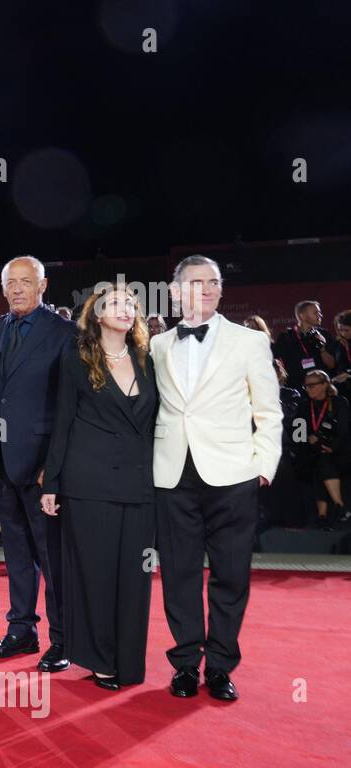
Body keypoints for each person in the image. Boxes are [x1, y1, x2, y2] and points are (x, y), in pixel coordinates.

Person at [153, 254, 282, 701]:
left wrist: (263, 467)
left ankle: (221, 665)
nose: (205, 289)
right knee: (180, 575)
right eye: (195, 282)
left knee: (230, 575)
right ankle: (186, 663)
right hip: (172, 475)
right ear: (175, 292)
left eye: (213, 282)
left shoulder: (249, 342)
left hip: (234, 476)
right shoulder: (158, 346)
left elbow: (269, 411)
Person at [41, 284, 158, 690]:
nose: (125, 309)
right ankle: (101, 660)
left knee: (134, 578)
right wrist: (51, 483)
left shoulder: (149, 359)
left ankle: (128, 662)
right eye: (114, 304)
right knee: (95, 575)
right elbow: (63, 424)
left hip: (140, 483)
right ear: (95, 315)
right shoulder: (76, 360)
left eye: (131, 304)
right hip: (87, 483)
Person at [0, 256, 76, 671]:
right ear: (2, 289)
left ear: (43, 285)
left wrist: (52, 467)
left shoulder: (66, 333)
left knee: (53, 557)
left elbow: (70, 406)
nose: (17, 289)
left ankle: (65, 639)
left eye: (25, 281)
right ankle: (21, 630)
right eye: (10, 282)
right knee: (15, 553)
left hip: (42, 467)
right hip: (2, 463)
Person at [297, 369, 351, 527]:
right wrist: (310, 441)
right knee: (320, 461)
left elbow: (343, 432)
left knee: (323, 461)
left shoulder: (339, 403)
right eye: (306, 386)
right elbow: (298, 434)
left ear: (324, 385)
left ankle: (328, 512)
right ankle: (336, 508)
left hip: (339, 452)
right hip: (314, 452)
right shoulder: (304, 407)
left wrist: (330, 447)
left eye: (312, 385)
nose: (308, 389)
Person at [272, 300, 326, 389]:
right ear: (302, 316)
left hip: (320, 386)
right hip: (295, 386)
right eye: (315, 312)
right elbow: (278, 360)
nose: (320, 315)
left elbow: (332, 365)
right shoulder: (286, 337)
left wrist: (323, 347)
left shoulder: (323, 335)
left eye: (320, 312)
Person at [323, 310, 351, 386]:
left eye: (347, 330)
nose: (343, 333)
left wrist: (349, 375)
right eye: (340, 330)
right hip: (342, 387)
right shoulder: (336, 344)